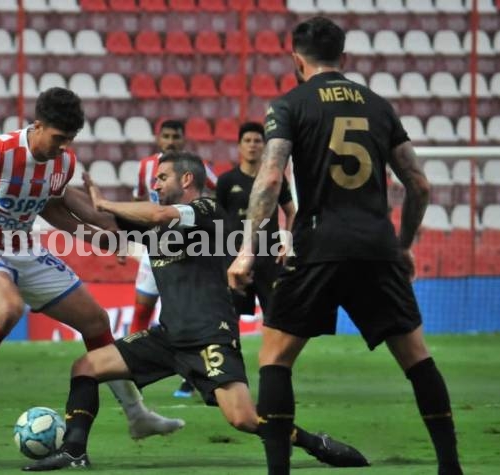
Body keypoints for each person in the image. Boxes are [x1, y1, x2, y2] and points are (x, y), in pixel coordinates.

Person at [23, 151, 368, 471]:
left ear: (186, 180)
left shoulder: (207, 209)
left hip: (208, 336)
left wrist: (104, 200)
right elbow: (101, 220)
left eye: (162, 177)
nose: (155, 184)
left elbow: (147, 211)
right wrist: (54, 189)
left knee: (244, 419)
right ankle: (74, 451)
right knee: (85, 366)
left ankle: (313, 442)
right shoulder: (155, 229)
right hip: (169, 336)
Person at [227, 17, 462, 475]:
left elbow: (271, 177)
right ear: (344, 59)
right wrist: (405, 244)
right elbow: (418, 184)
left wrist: (246, 250)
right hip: (377, 244)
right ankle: (450, 466)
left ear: (297, 60)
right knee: (416, 356)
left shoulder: (289, 104)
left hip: (319, 243)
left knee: (276, 357)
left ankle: (278, 472)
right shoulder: (378, 105)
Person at [0, 87, 184, 441]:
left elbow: (53, 210)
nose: (64, 146)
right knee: (8, 309)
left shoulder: (63, 162)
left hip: (26, 249)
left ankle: (136, 414)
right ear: (37, 125)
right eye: (58, 137)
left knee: (96, 321)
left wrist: (101, 236)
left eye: (70, 138)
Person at [130, 119, 217, 398]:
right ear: (158, 139)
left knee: (183, 311)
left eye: (175, 136)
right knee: (142, 308)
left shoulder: (194, 167)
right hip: (154, 244)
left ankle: (191, 376)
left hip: (188, 248)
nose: (170, 141)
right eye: (165, 136)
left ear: (182, 139)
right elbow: (138, 203)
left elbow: (217, 190)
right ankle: (132, 373)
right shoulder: (146, 167)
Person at [216, 122, 296, 317]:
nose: (252, 145)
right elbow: (218, 219)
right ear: (239, 146)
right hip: (236, 256)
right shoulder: (227, 181)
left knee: (275, 316)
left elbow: (292, 212)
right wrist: (220, 256)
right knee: (230, 315)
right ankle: (230, 349)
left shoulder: (274, 179)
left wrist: (288, 244)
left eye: (257, 141)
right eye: (247, 140)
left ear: (265, 146)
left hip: (269, 257)